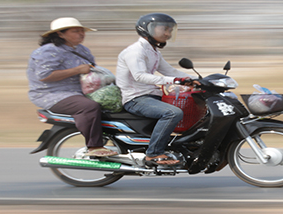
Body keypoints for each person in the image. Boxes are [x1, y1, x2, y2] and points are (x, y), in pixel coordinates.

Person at [27, 17, 117, 157]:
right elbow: (44, 75)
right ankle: (95, 146)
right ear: (60, 34)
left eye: (82, 31)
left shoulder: (82, 50)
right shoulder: (48, 51)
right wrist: (77, 70)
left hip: (79, 91)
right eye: (76, 31)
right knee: (88, 107)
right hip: (52, 94)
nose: (81, 34)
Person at [117, 13, 197, 166]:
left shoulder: (153, 51)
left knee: (189, 104)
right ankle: (153, 154)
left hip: (150, 95)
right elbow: (140, 76)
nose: (168, 34)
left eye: (170, 30)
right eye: (164, 29)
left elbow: (171, 71)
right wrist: (175, 81)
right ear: (148, 29)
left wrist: (199, 80)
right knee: (173, 112)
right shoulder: (135, 51)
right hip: (135, 98)